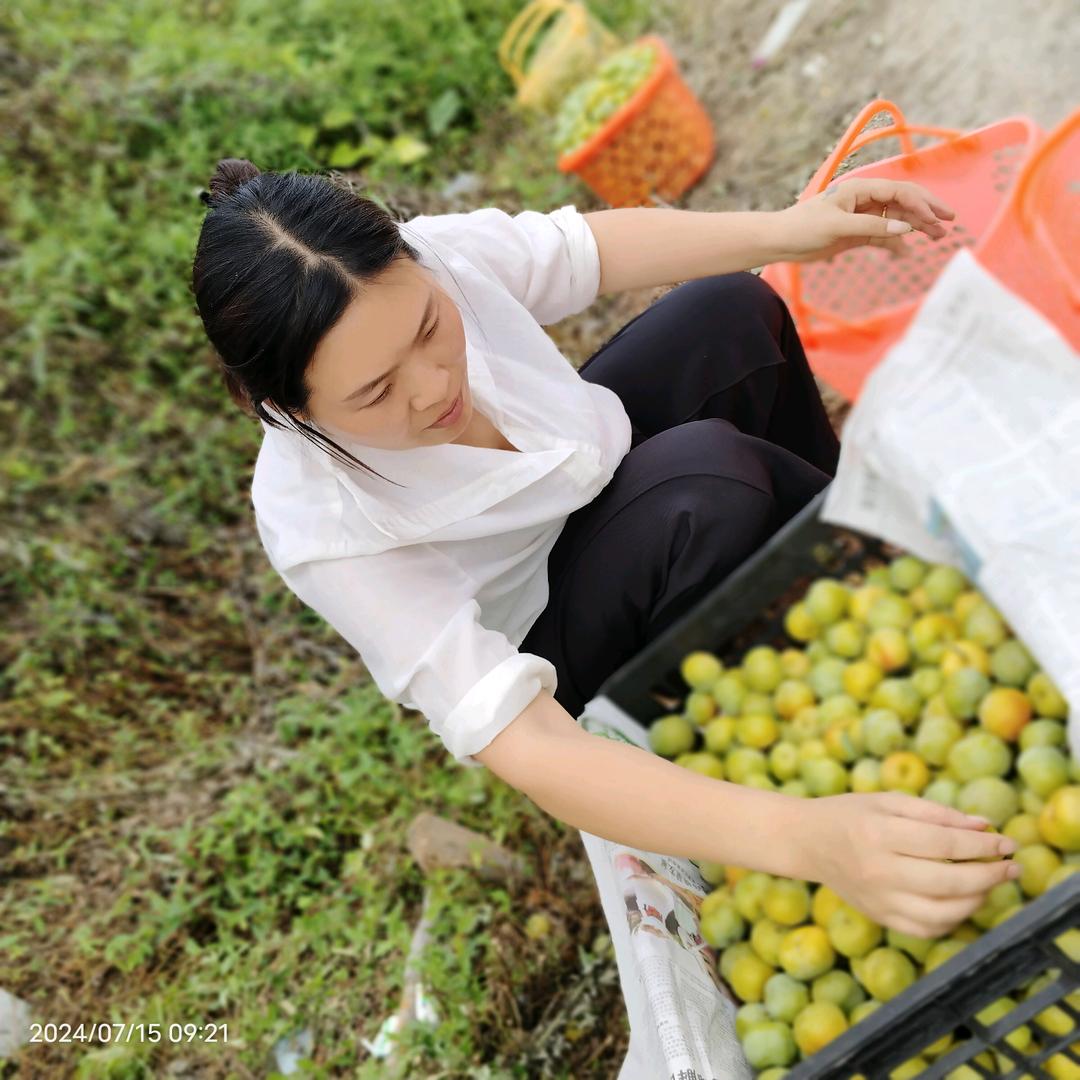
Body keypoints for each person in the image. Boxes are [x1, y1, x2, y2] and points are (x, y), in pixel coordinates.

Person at [191, 159, 1020, 939]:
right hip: (571, 644)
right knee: (709, 487)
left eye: (430, 329)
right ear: (285, 409)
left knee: (730, 316)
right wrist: (808, 840)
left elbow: (584, 247)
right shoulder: (320, 524)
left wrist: (792, 228)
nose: (434, 384)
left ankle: (854, 576)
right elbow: (534, 749)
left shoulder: (430, 264)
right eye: (375, 391)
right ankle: (853, 627)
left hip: (609, 474)